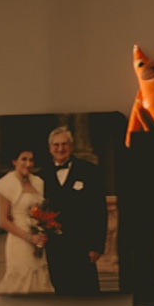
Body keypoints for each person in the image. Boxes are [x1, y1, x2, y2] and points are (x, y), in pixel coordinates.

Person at [41, 125, 107, 295]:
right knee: (61, 293)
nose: (60, 148)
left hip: (82, 246)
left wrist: (97, 247)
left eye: (64, 144)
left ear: (71, 146)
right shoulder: (41, 176)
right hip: (55, 247)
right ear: (50, 148)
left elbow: (99, 211)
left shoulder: (90, 171)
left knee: (87, 292)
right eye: (56, 145)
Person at [0, 147, 54, 295]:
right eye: (24, 159)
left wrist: (42, 232)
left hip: (38, 239)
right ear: (14, 161)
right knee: (22, 281)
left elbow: (43, 212)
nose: (28, 163)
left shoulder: (37, 183)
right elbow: (3, 221)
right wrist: (30, 237)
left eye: (31, 160)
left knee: (40, 279)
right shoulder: (6, 185)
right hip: (20, 241)